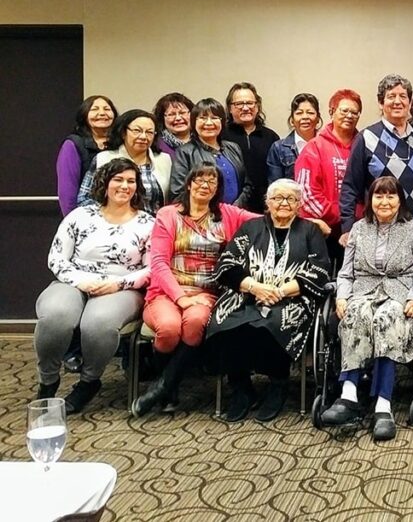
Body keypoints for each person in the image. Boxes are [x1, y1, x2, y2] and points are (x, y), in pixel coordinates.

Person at [130, 164, 260, 417]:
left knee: (195, 323)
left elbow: (269, 217)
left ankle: (163, 389)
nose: (205, 185)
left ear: (218, 189)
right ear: (188, 184)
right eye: (200, 180)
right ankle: (168, 386)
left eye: (212, 182)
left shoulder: (226, 214)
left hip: (206, 293)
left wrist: (310, 222)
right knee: (168, 328)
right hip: (166, 292)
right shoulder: (169, 214)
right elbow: (157, 262)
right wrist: (180, 297)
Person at [204, 179, 331, 422]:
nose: (284, 203)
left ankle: (277, 384)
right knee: (226, 324)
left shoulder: (310, 231)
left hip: (292, 298)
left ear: (299, 204)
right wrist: (255, 287)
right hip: (246, 294)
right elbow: (227, 264)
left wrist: (281, 292)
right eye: (277, 198)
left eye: (290, 199)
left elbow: (319, 270)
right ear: (267, 202)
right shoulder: (251, 228)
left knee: (272, 324)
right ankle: (241, 388)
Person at [34, 158, 154, 413]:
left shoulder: (147, 223)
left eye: (131, 181)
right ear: (105, 183)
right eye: (118, 179)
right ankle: (48, 380)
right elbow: (56, 257)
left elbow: (152, 268)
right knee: (56, 315)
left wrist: (116, 284)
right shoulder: (80, 216)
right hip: (74, 280)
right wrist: (82, 282)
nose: (124, 186)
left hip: (122, 287)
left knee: (97, 323)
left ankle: (89, 381)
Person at [320, 177, 413, 441]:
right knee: (356, 315)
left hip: (399, 294)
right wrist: (342, 297)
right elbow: (346, 272)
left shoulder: (412, 228)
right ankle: (348, 395)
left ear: (399, 200)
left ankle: (384, 405)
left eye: (390, 196)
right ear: (370, 200)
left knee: (385, 318)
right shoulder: (359, 228)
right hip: (363, 292)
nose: (384, 201)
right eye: (379, 196)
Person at [340, 75, 413, 245]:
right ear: (381, 103)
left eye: (403, 96)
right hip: (376, 236)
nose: (397, 101)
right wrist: (347, 227)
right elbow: (350, 187)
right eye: (391, 96)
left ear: (409, 103)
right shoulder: (366, 138)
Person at [295, 89, 362, 260]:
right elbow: (306, 195)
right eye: (344, 110)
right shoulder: (314, 147)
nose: (349, 116)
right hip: (325, 232)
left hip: (362, 230)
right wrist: (345, 215)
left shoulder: (365, 144)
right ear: (332, 112)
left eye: (354, 112)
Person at [77, 109, 172, 215]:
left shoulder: (164, 160)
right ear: (123, 133)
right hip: (112, 225)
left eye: (149, 132)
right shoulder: (104, 158)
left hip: (156, 226)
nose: (143, 136)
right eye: (137, 131)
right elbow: (84, 199)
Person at [170, 98, 250, 207]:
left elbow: (247, 184)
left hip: (235, 215)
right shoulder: (185, 152)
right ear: (194, 122)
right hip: (204, 216)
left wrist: (235, 208)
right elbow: (177, 193)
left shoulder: (233, 147)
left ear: (222, 122)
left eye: (214, 118)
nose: (209, 123)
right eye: (203, 118)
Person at [222, 82, 280, 211]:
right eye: (239, 104)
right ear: (230, 108)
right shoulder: (221, 136)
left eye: (249, 103)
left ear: (257, 106)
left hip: (265, 210)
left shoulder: (271, 137)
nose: (245, 108)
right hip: (230, 209)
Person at [56, 95, 119, 216]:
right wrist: (73, 221)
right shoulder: (73, 144)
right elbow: (67, 192)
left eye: (107, 109)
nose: (102, 113)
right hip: (85, 215)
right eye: (95, 109)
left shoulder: (120, 143)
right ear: (84, 115)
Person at [267, 93, 322, 182]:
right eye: (299, 113)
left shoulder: (327, 146)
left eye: (310, 113)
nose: (305, 117)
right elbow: (276, 188)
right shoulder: (278, 149)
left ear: (318, 118)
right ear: (292, 120)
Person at [153, 93, 194, 161]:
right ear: (162, 118)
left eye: (182, 113)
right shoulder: (155, 145)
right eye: (171, 114)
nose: (178, 118)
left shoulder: (202, 141)